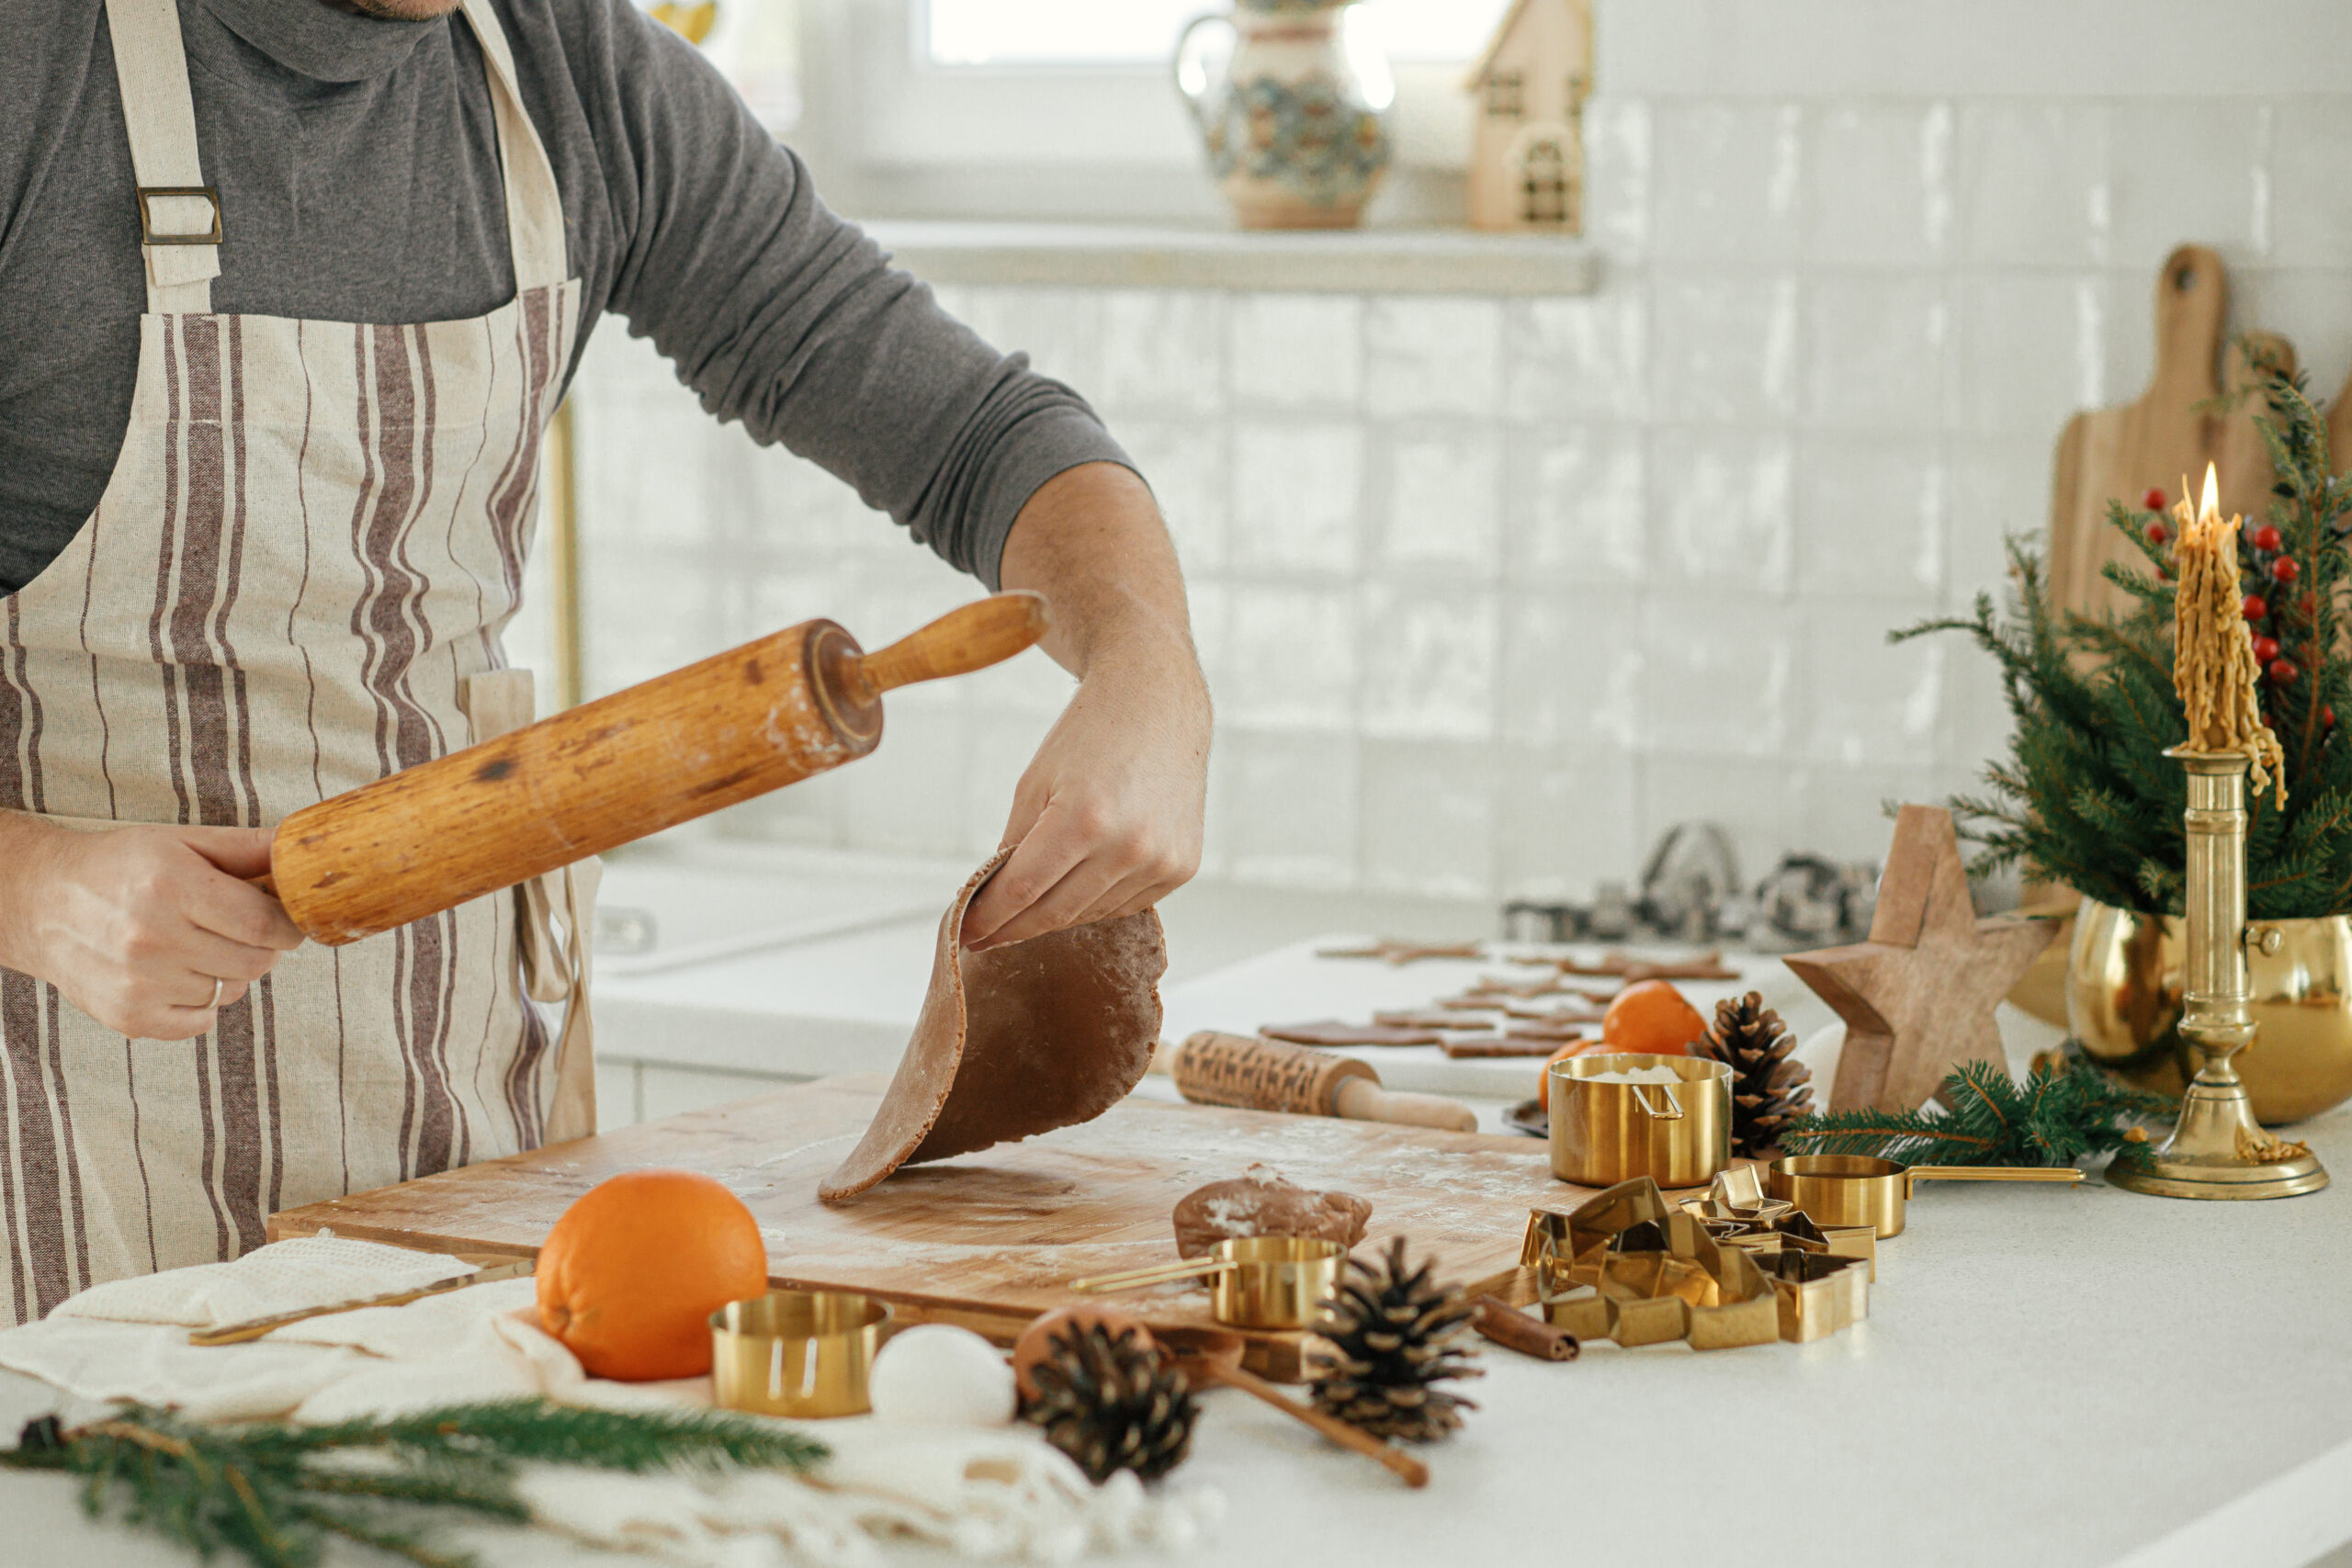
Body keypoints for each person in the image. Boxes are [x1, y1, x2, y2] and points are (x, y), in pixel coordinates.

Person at [0, 0, 1212, 1325]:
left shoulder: (578, 81)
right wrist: (35, 886)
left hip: (456, 1121)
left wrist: (1150, 671)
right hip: (61, 1133)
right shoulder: (34, 67)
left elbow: (982, 436)